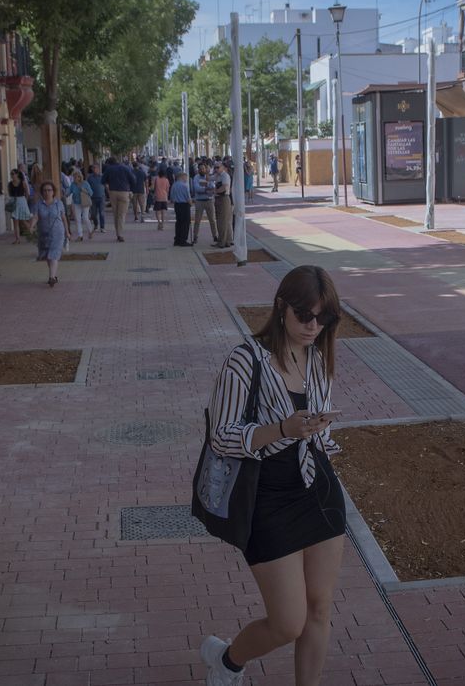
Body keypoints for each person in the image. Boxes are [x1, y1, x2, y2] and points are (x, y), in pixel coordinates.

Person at [199, 266, 346, 686]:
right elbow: (221, 436)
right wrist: (282, 429)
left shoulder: (316, 357)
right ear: (281, 307)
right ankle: (227, 661)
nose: (314, 326)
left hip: (318, 490)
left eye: (325, 319)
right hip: (266, 500)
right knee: (288, 623)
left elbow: (316, 427)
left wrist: (318, 428)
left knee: (319, 609)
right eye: (305, 315)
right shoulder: (245, 360)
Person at [30, 180, 67, 287]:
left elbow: (64, 218)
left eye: (49, 190)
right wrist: (32, 226)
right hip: (44, 233)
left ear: (53, 192)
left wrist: (67, 231)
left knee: (53, 255)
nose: (47, 192)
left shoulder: (59, 203)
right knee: (47, 256)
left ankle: (51, 278)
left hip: (58, 233)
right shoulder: (38, 205)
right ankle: (53, 275)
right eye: (45, 190)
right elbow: (36, 217)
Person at [101, 156, 132, 242]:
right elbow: (133, 179)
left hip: (113, 192)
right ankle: (120, 234)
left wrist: (108, 185)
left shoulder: (109, 169)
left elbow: (103, 181)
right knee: (121, 214)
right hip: (124, 192)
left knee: (116, 213)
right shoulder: (125, 168)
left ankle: (118, 233)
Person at [191, 161, 219, 247]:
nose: (202, 170)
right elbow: (197, 188)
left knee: (212, 220)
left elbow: (213, 187)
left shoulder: (209, 177)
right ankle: (195, 236)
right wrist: (206, 189)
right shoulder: (196, 177)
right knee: (197, 220)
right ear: (198, 170)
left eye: (203, 168)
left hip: (209, 201)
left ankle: (215, 236)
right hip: (199, 201)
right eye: (200, 169)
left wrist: (205, 187)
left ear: (206, 169)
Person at [170, 165, 193, 247]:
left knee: (179, 222)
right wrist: (191, 204)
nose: (186, 179)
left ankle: (177, 240)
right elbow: (188, 198)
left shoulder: (174, 185)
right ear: (182, 177)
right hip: (184, 205)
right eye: (185, 177)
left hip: (177, 205)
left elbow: (171, 198)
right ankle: (183, 240)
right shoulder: (184, 186)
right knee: (185, 223)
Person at [213, 162, 234, 249]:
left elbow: (225, 187)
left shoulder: (225, 176)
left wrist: (216, 191)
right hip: (219, 199)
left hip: (223, 199)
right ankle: (226, 241)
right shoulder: (218, 176)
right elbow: (208, 179)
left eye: (218, 167)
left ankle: (223, 242)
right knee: (223, 221)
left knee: (222, 222)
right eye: (215, 167)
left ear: (222, 167)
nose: (216, 169)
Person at [7, 169, 31, 244]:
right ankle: (17, 239)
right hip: (14, 201)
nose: (12, 175)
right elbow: (9, 193)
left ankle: (33, 232)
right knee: (15, 221)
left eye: (13, 174)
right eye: (11, 174)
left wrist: (25, 201)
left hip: (21, 201)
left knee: (23, 220)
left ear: (17, 174)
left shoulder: (22, 182)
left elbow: (27, 192)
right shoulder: (10, 184)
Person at [69, 168, 92, 242]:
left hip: (85, 203)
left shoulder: (85, 183)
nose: (75, 178)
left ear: (80, 177)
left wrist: (84, 190)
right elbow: (69, 191)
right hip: (76, 203)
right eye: (74, 177)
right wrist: (65, 193)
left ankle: (90, 230)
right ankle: (80, 235)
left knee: (85, 218)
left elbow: (91, 193)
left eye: (77, 177)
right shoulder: (73, 185)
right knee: (77, 219)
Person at [86, 163, 106, 234]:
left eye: (96, 168)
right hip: (92, 198)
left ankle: (102, 227)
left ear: (99, 169)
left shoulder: (102, 176)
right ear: (92, 169)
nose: (95, 169)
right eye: (93, 168)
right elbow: (86, 186)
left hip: (101, 197)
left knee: (102, 213)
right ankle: (96, 224)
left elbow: (106, 185)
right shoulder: (89, 177)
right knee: (93, 214)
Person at [152, 164, 172, 230]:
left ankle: (159, 222)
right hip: (164, 197)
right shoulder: (166, 180)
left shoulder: (156, 179)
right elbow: (167, 189)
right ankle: (162, 224)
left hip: (157, 196)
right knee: (163, 211)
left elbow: (153, 188)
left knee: (157, 211)